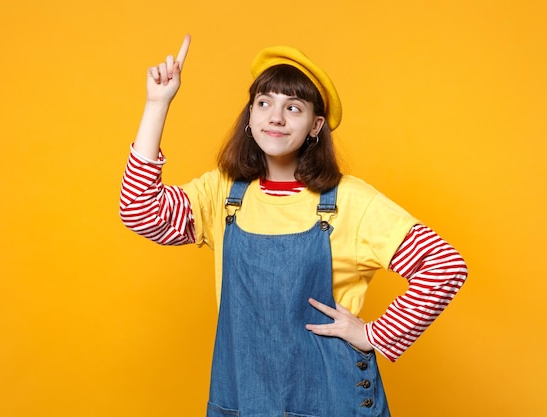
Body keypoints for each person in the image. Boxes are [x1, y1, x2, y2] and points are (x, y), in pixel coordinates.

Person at [119, 34, 467, 417]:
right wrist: (157, 105)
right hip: (243, 400)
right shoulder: (222, 193)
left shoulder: (351, 200)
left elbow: (444, 266)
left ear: (316, 125)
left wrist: (373, 336)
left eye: (293, 108)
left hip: (331, 401)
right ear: (250, 116)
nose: (276, 117)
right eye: (264, 103)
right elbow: (139, 210)